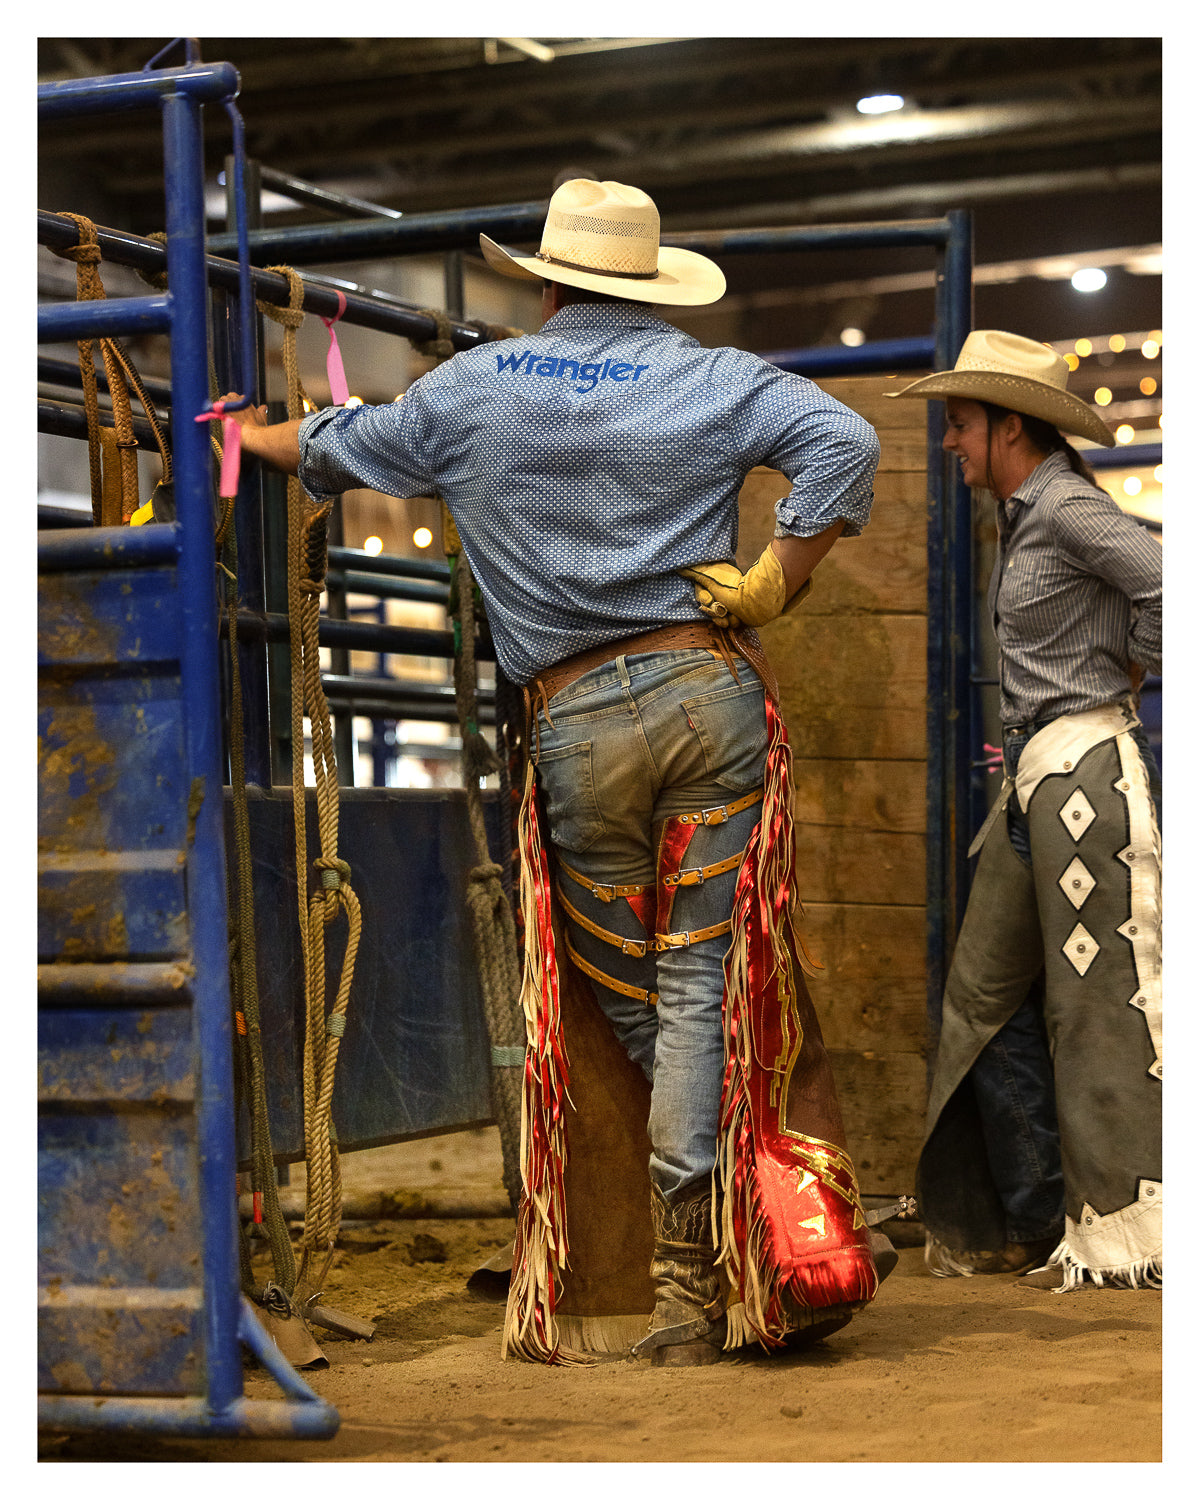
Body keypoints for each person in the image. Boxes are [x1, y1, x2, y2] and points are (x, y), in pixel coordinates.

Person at [227, 177, 885, 1363]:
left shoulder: (473, 391)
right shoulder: (715, 377)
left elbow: (335, 446)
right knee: (699, 986)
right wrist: (784, 575)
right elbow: (846, 436)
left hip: (575, 719)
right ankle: (709, 1269)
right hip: (707, 687)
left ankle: (703, 1244)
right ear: (643, 280)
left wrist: (247, 435)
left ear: (542, 280)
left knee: (630, 991)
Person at [890, 330, 1162, 1292]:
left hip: (1081, 767)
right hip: (1041, 780)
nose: (954, 442)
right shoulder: (1029, 513)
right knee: (985, 1002)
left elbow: (1172, 583)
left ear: (1012, 426)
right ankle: (1043, 1217)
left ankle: (1128, 1230)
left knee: (1096, 1005)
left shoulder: (1072, 511)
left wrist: (1133, 665)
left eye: (962, 425)